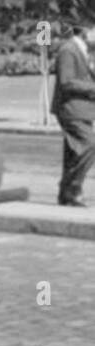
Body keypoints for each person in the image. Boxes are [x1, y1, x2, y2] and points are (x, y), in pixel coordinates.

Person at [51, 20, 95, 206]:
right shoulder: (68, 50)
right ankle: (73, 187)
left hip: (82, 109)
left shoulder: (84, 50)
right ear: (85, 31)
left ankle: (65, 194)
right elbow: (66, 81)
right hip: (70, 109)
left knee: (72, 152)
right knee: (89, 145)